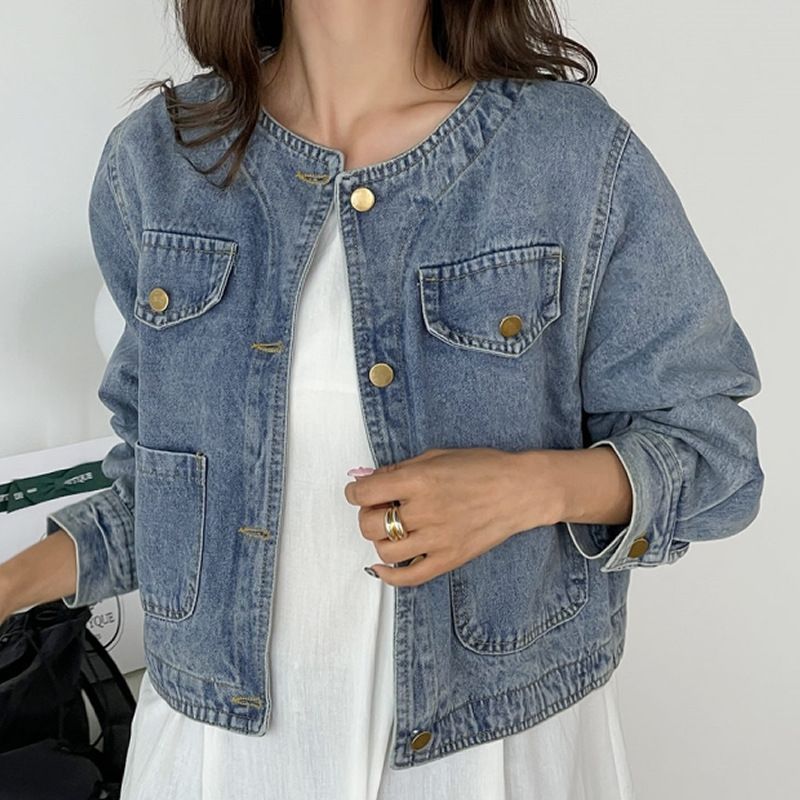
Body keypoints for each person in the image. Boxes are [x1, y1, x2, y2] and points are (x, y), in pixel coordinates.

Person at [0, 1, 763, 798]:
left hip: (487, 754)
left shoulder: (569, 155)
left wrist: (526, 489)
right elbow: (161, 499)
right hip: (219, 756)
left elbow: (715, 457)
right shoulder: (157, 161)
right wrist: (10, 586)